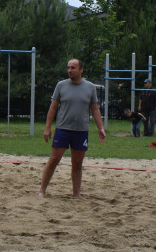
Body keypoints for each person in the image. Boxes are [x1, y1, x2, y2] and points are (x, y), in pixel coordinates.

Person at [40, 59, 107, 197]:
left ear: (81, 70)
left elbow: (95, 109)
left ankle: (76, 194)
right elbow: (53, 107)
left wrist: (101, 128)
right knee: (54, 159)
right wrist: (47, 127)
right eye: (68, 68)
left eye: (73, 68)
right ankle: (42, 191)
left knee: (77, 163)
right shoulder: (61, 85)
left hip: (81, 130)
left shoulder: (90, 87)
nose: (70, 70)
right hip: (63, 129)